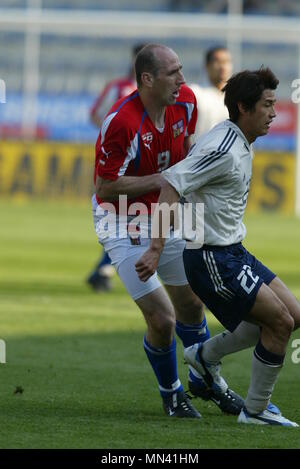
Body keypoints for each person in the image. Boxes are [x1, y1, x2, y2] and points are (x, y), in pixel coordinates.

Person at [136, 66, 300, 426]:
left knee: (292, 315)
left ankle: (204, 355)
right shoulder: (223, 147)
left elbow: (193, 192)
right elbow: (172, 184)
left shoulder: (238, 139)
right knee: (279, 323)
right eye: (267, 105)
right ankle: (255, 412)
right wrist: (156, 247)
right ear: (244, 107)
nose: (274, 113)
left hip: (231, 250)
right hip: (212, 257)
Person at [92, 43, 243, 418]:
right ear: (147, 79)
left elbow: (183, 159)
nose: (182, 78)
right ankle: (172, 392)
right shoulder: (122, 122)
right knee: (162, 318)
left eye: (181, 69)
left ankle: (205, 380)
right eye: (172, 72)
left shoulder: (186, 102)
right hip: (122, 220)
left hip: (168, 208)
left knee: (194, 302)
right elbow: (105, 187)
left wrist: (185, 208)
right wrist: (162, 179)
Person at [87, 43, 145, 292]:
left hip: (143, 162)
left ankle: (103, 269)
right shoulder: (119, 87)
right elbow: (95, 114)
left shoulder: (157, 91)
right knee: (125, 215)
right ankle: (105, 269)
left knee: (134, 217)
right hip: (119, 161)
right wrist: (115, 132)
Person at [190, 45, 232, 140]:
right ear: (207, 65)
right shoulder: (195, 94)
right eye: (218, 61)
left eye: (226, 62)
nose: (223, 66)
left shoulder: (237, 97)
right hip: (199, 153)